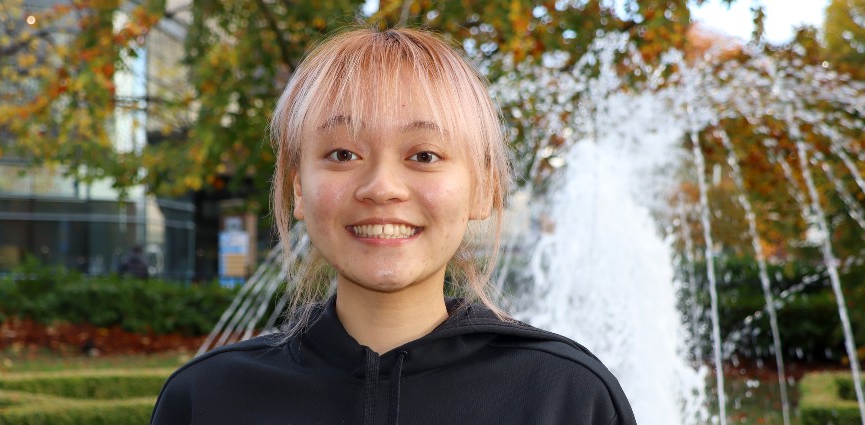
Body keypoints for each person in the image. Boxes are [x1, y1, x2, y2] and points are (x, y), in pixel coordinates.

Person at [151, 27, 636, 425]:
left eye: (424, 155)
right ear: (298, 189)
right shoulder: (207, 399)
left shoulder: (566, 398)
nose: (382, 187)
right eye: (343, 154)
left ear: (484, 190)